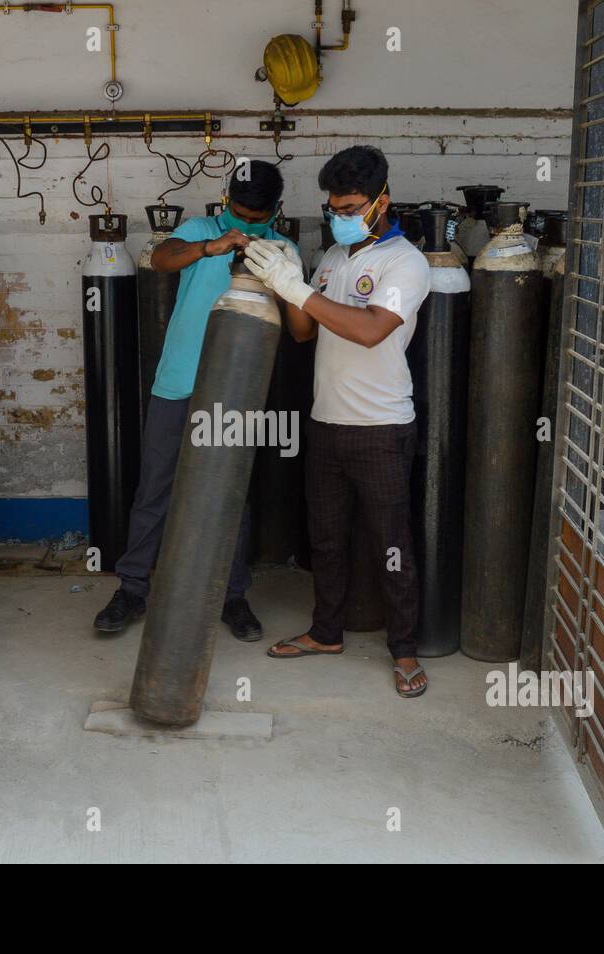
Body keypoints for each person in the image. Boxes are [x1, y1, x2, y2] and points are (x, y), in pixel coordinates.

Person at [243, 145, 432, 698]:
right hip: (326, 421)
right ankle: (326, 632)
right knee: (325, 540)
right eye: (333, 208)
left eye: (350, 206)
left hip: (381, 427)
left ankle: (404, 651)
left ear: (381, 202)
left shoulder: (405, 262)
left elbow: (373, 330)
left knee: (390, 543)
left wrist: (298, 289)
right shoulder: (331, 260)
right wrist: (283, 280)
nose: (340, 216)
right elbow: (305, 332)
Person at [93, 159, 298, 641]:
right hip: (179, 383)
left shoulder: (284, 248)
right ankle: (133, 588)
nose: (247, 223)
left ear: (275, 210)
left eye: (257, 216)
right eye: (241, 213)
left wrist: (283, 272)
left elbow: (295, 322)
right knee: (155, 490)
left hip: (238, 392)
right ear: (227, 202)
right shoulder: (199, 230)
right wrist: (213, 246)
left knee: (231, 493)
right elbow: (162, 259)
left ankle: (232, 595)